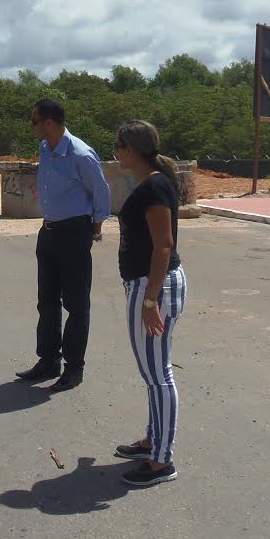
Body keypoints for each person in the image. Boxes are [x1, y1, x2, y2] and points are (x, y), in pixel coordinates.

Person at [15, 99, 111, 392]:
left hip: (74, 233)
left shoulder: (81, 154)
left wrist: (94, 229)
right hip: (49, 232)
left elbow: (101, 193)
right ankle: (48, 361)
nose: (30, 126)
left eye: (34, 121)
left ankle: (73, 369)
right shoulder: (46, 149)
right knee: (47, 301)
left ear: (50, 122)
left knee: (76, 304)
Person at [111, 119, 186, 488]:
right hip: (146, 285)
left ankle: (162, 461)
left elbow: (164, 246)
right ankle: (153, 440)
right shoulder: (151, 182)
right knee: (152, 372)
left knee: (159, 376)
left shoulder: (155, 184)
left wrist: (151, 299)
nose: (115, 151)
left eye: (117, 145)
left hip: (153, 287)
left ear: (130, 149)